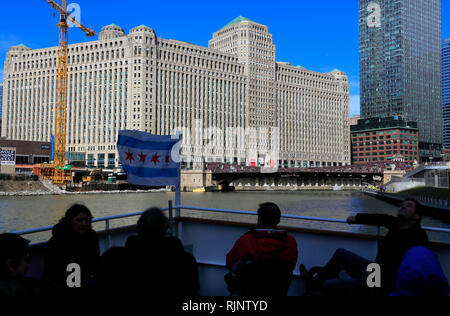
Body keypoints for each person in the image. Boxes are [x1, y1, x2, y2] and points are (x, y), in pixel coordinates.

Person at [300, 198, 429, 296]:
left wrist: (377, 275)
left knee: (330, 285)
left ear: (417, 216)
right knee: (341, 254)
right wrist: (356, 218)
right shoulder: (395, 224)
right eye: (402, 205)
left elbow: (416, 268)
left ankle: (317, 286)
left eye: (408, 206)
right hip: (374, 270)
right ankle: (314, 283)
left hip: (384, 282)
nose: (403, 206)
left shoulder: (419, 237)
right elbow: (379, 218)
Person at [225, 202, 298, 296]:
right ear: (278, 220)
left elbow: (230, 264)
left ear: (259, 219)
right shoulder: (290, 242)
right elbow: (291, 266)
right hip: (278, 291)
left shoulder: (246, 240)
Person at [125, 207, 200, 297]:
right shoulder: (186, 261)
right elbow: (193, 289)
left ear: (139, 228)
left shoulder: (127, 258)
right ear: (165, 229)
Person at [43, 204, 99, 292]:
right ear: (69, 221)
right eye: (79, 220)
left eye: (87, 220)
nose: (84, 223)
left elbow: (94, 261)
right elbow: (56, 270)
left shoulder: (92, 236)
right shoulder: (59, 239)